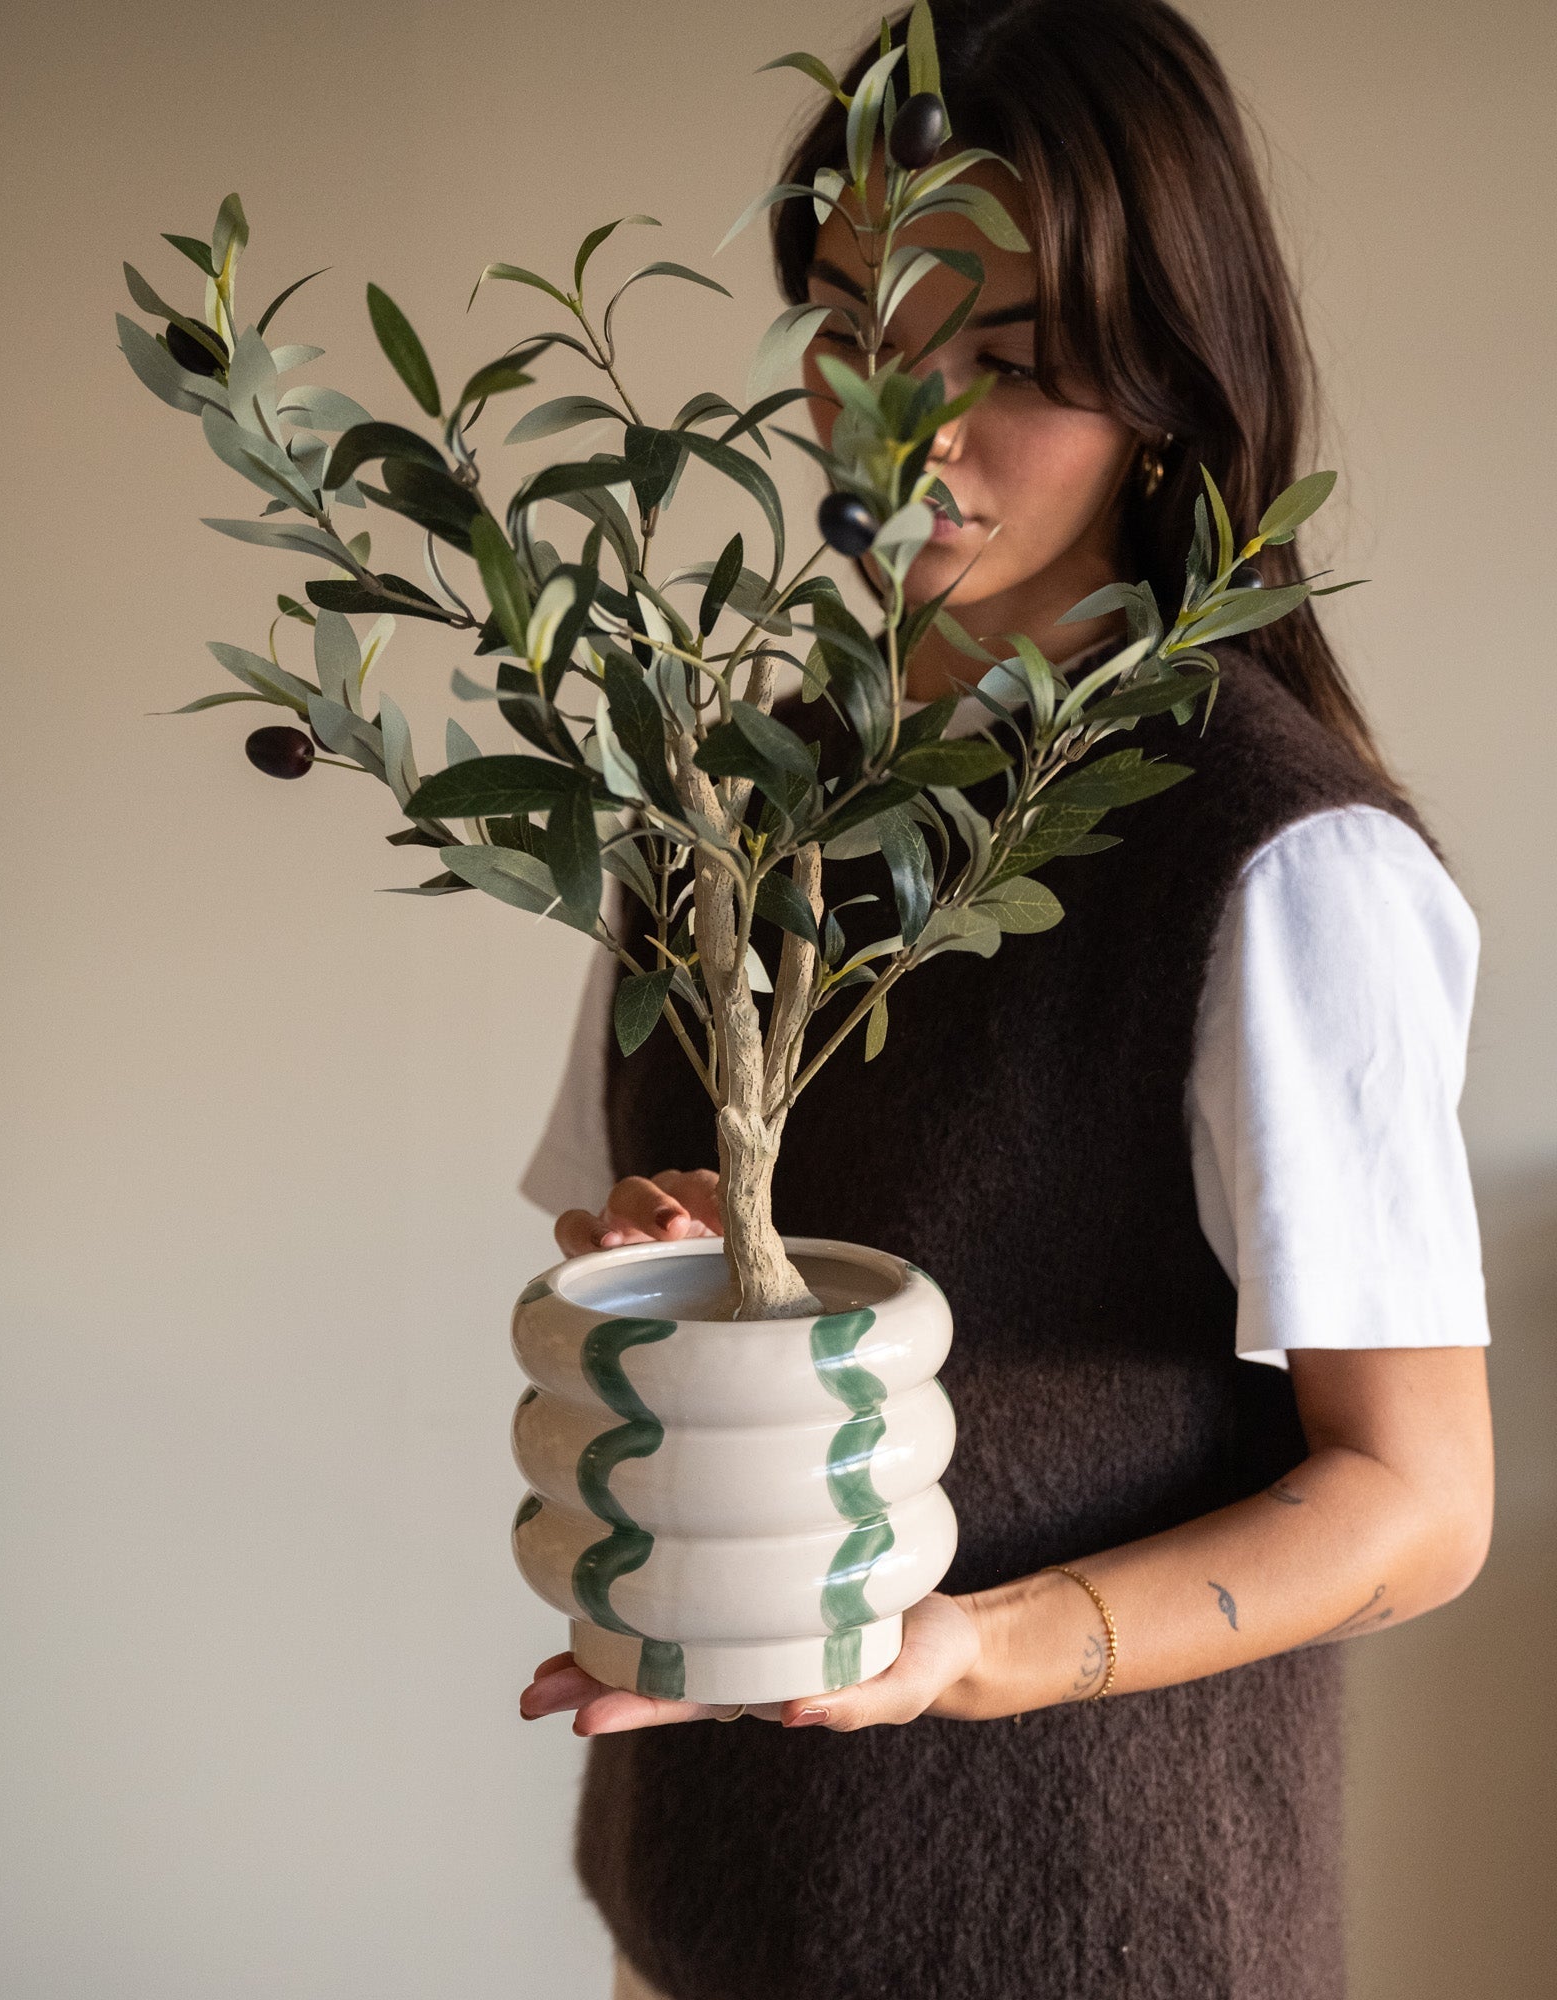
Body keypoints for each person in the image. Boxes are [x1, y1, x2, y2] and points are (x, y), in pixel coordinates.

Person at [516, 3, 1495, 1996]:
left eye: (1014, 361)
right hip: (704, 1915)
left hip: (1085, 1935)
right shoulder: (721, 804)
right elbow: (628, 1222)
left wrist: (982, 1649)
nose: (903, 426)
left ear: (1164, 386)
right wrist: (670, 1257)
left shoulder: (1276, 867)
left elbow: (1415, 1503)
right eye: (857, 325)